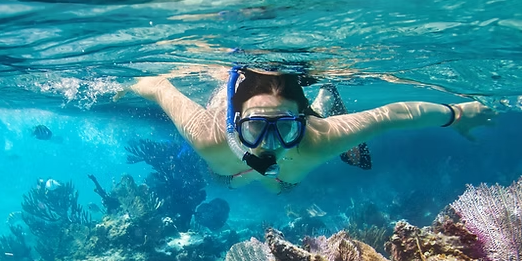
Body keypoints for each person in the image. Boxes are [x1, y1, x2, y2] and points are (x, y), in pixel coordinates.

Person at [116, 67, 495, 194]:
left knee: (280, 185)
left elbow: (391, 114)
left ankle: (323, 101)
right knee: (231, 178)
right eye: (255, 128)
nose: (269, 144)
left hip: (294, 155)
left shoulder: (317, 139)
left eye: (284, 128)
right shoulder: (209, 136)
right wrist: (125, 86)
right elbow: (159, 86)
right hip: (228, 170)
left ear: (302, 123)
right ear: (235, 125)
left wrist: (457, 113)